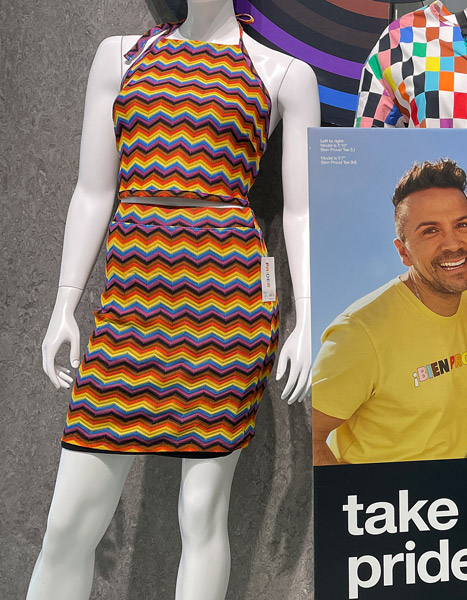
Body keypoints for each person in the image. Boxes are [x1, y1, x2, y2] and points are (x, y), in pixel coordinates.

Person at [30, 1, 319, 598]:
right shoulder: (122, 57)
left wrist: (307, 316)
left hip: (228, 312)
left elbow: (302, 210)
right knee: (66, 527)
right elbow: (91, 191)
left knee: (203, 514)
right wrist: (65, 303)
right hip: (130, 303)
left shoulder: (284, 74)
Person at [310, 159, 467, 465]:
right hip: (383, 508)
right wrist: (357, 504)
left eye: (462, 225)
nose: (453, 243)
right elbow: (306, 435)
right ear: (403, 251)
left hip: (450, 504)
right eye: (430, 231)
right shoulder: (359, 332)